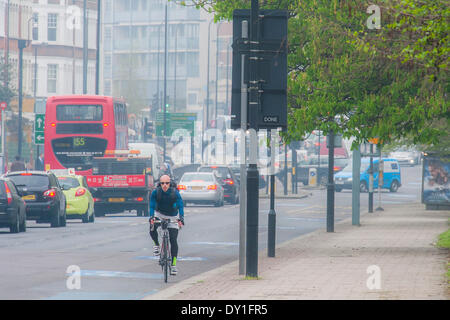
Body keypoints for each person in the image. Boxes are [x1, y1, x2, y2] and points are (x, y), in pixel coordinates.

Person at [149, 174, 184, 276]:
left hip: (172, 216)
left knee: (173, 239)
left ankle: (173, 265)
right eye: (162, 183)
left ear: (170, 183)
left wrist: (181, 218)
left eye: (167, 183)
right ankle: (156, 244)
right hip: (159, 214)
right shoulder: (156, 192)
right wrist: (151, 217)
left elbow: (181, 205)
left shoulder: (175, 193)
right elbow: (151, 205)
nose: (164, 185)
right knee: (152, 227)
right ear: (160, 184)